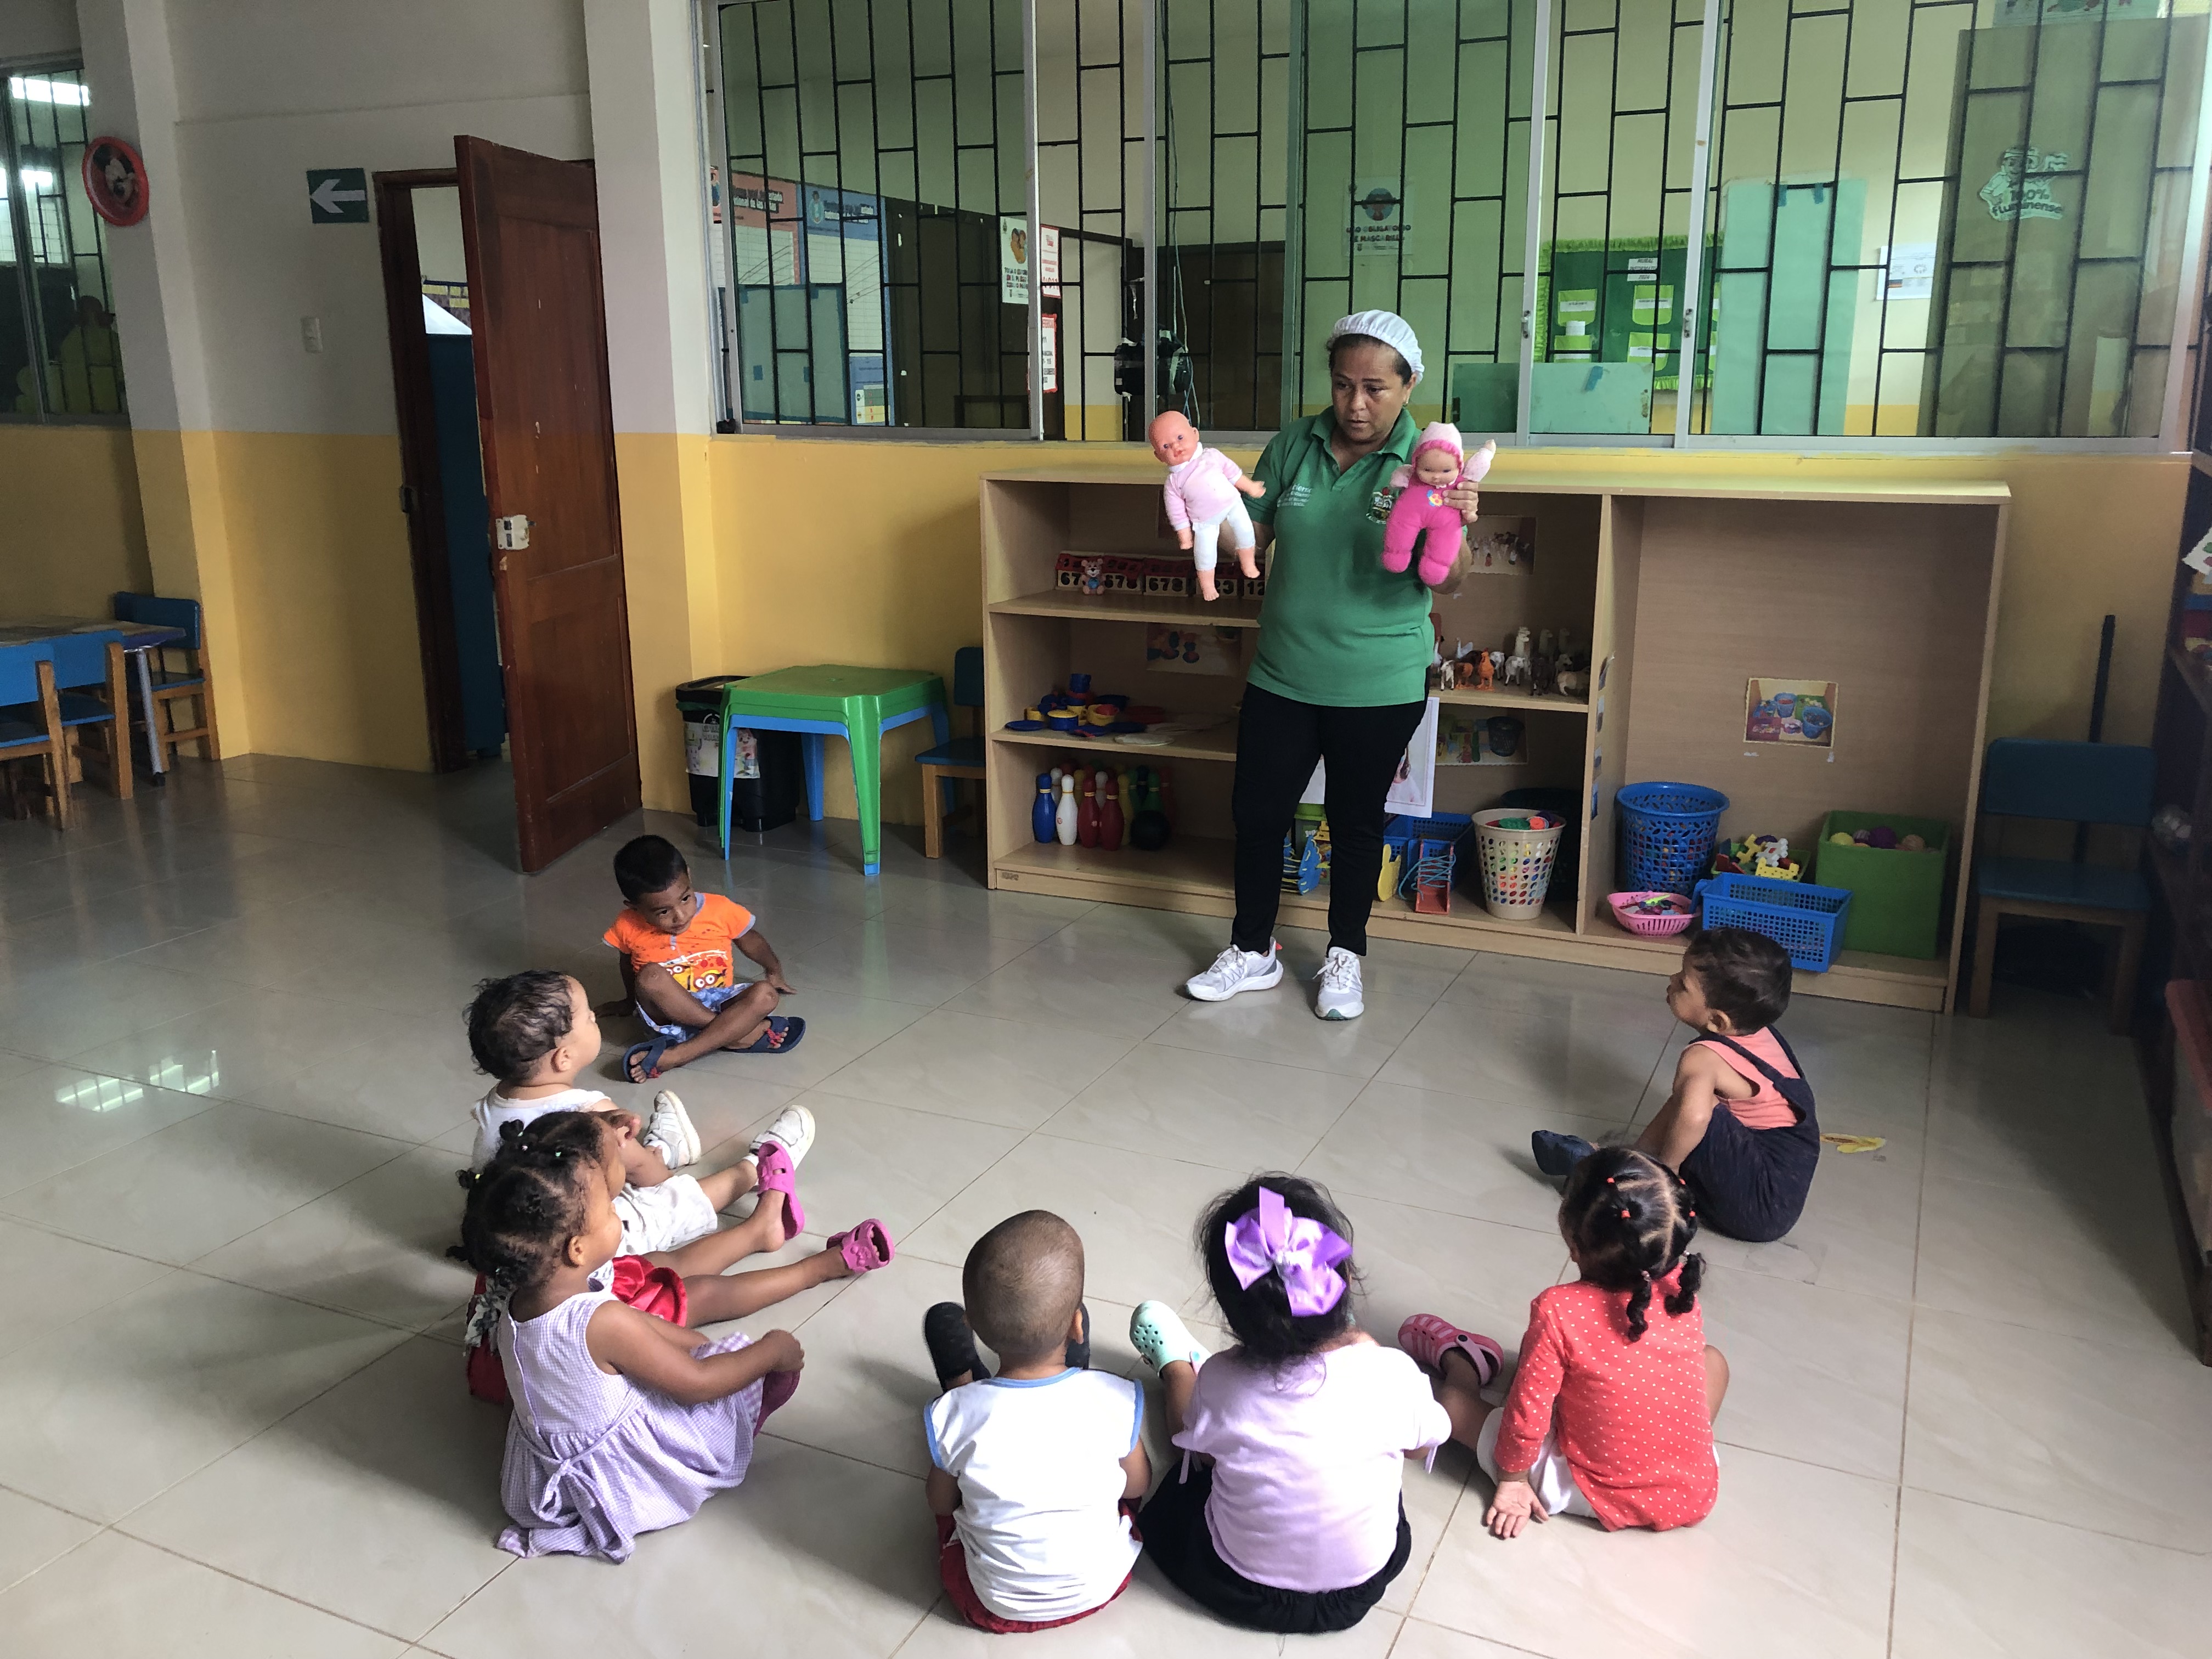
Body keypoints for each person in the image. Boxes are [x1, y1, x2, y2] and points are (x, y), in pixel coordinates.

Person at [1183, 311, 1482, 1022]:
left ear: (1409, 386)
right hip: (1283, 673)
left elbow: (1453, 580)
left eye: (1375, 388)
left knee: (1355, 824)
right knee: (1257, 816)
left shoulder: (1431, 458)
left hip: (1379, 683)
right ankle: (1252, 950)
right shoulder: (1296, 443)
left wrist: (1459, 521)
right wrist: (1209, 510)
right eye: (1344, 384)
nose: (1356, 403)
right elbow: (1251, 539)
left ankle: (1345, 955)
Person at [452, 1109, 896, 1560]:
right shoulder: (600, 1322)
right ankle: (746, 1418)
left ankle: (778, 1255)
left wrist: (690, 1345)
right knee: (737, 1368)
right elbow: (696, 1386)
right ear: (577, 1249)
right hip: (617, 1482)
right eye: (610, 1211)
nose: (617, 1215)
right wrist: (768, 1352)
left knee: (696, 1337)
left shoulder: (517, 1307)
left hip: (539, 1486)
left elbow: (628, 1335)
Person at [1126, 1176, 1455, 1635]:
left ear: (1230, 1313)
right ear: (1345, 1278)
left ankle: (1179, 1368)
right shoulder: (1391, 1372)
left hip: (1240, 1587)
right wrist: (1368, 1351)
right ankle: (1324, 1334)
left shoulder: (1222, 1381)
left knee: (1186, 1472)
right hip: (1359, 1589)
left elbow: (1202, 1457)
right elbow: (1419, 1449)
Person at [1402, 1147, 1727, 1538]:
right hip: (1693, 1490)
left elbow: (1528, 1415)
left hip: (1595, 1490)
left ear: (1573, 1243)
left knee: (1453, 1405)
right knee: (1714, 1361)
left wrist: (1513, 1479)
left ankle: (1464, 1361)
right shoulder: (1681, 1290)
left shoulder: (1560, 1309)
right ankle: (1663, 1440)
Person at [464, 968, 817, 1253]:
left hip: (525, 1237)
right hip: (587, 1245)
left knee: (602, 1167)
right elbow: (648, 1175)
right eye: (588, 1018)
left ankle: (667, 1148)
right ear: (564, 1058)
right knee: (672, 1201)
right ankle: (752, 1170)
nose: (594, 1017)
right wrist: (664, 1182)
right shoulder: (588, 1113)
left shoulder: (494, 1104)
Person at [920, 1211, 1148, 1633]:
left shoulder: (952, 1418)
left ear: (975, 1329)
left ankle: (963, 1384)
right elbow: (1136, 1486)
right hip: (1101, 1586)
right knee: (1124, 1505)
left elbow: (941, 1504)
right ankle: (1070, 1373)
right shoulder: (1114, 1399)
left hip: (994, 1606)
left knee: (954, 1517)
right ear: (1077, 1325)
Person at [1531, 927, 1819, 1242]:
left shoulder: (1702, 1057)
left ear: (1717, 1021)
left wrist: (1664, 1174)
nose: (1672, 980)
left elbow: (1694, 1117)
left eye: (1683, 984)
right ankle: (1637, 1158)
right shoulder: (1760, 1033)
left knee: (1696, 1106)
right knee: (1691, 1095)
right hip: (1780, 1190)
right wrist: (1643, 1152)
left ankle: (1639, 1180)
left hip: (1757, 1204)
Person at [605, 834, 803, 1079]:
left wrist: (774, 970)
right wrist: (628, 1001)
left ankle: (679, 1054)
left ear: (689, 875)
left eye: (685, 899)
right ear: (634, 907)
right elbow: (627, 964)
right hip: (665, 1015)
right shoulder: (627, 924)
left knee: (766, 994)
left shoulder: (720, 909)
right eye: (663, 912)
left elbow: (751, 940)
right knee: (650, 976)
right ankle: (735, 1035)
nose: (680, 916)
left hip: (718, 999)